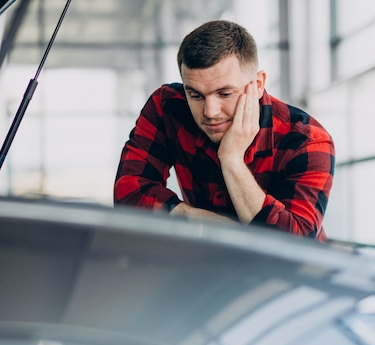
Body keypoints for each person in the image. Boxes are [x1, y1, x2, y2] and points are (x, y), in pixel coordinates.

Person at [114, 20, 334, 241]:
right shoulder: (167, 107)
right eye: (196, 95)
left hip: (295, 273)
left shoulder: (308, 141)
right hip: (212, 260)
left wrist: (231, 158)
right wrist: (209, 224)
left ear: (258, 84)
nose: (210, 112)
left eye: (225, 94)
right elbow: (128, 193)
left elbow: (296, 243)